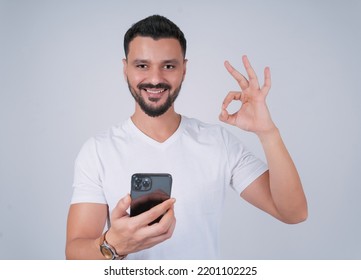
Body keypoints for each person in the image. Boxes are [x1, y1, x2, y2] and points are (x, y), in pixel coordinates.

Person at [65, 15, 307, 260]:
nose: (156, 78)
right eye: (142, 65)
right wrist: (113, 244)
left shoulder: (217, 142)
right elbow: (74, 255)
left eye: (168, 66)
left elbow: (293, 212)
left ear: (184, 69)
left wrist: (268, 133)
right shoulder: (98, 151)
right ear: (125, 68)